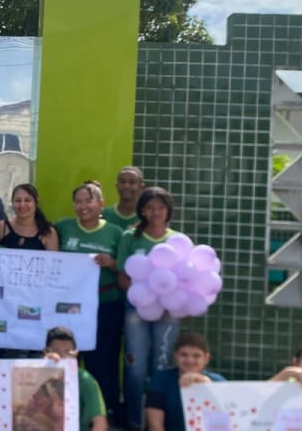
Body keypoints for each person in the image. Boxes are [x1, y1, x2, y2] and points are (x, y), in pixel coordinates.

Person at [54, 181, 124, 422]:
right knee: (67, 356)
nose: (83, 206)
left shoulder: (115, 232)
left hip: (105, 306)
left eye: (89, 200)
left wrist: (112, 263)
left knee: (102, 360)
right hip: (67, 307)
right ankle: (63, 412)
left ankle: (100, 415)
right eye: (78, 201)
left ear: (101, 203)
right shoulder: (62, 227)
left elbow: (126, 268)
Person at [116, 187, 182, 431]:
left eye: (161, 207)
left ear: (168, 211)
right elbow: (122, 278)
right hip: (136, 311)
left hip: (168, 313)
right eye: (150, 207)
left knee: (161, 368)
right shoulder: (129, 237)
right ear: (142, 210)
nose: (156, 213)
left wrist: (165, 302)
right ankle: (135, 421)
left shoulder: (177, 241)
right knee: (135, 369)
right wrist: (146, 297)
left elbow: (185, 281)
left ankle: (159, 423)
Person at [144, 332, 224, 431]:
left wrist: (207, 386)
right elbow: (154, 425)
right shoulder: (160, 380)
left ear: (206, 358)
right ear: (176, 356)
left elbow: (223, 424)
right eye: (184, 355)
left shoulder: (218, 382)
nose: (190, 360)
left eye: (196, 356)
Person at [42, 327, 109, 431]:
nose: (62, 357)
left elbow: (100, 423)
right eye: (56, 352)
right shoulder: (31, 375)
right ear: (45, 352)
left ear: (76, 355)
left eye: (68, 353)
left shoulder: (85, 380)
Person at [0, 184, 59, 251]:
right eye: (18, 200)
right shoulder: (1, 227)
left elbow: (53, 257)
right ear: (12, 202)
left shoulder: (48, 233)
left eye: (27, 200)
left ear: (36, 202)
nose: (22, 205)